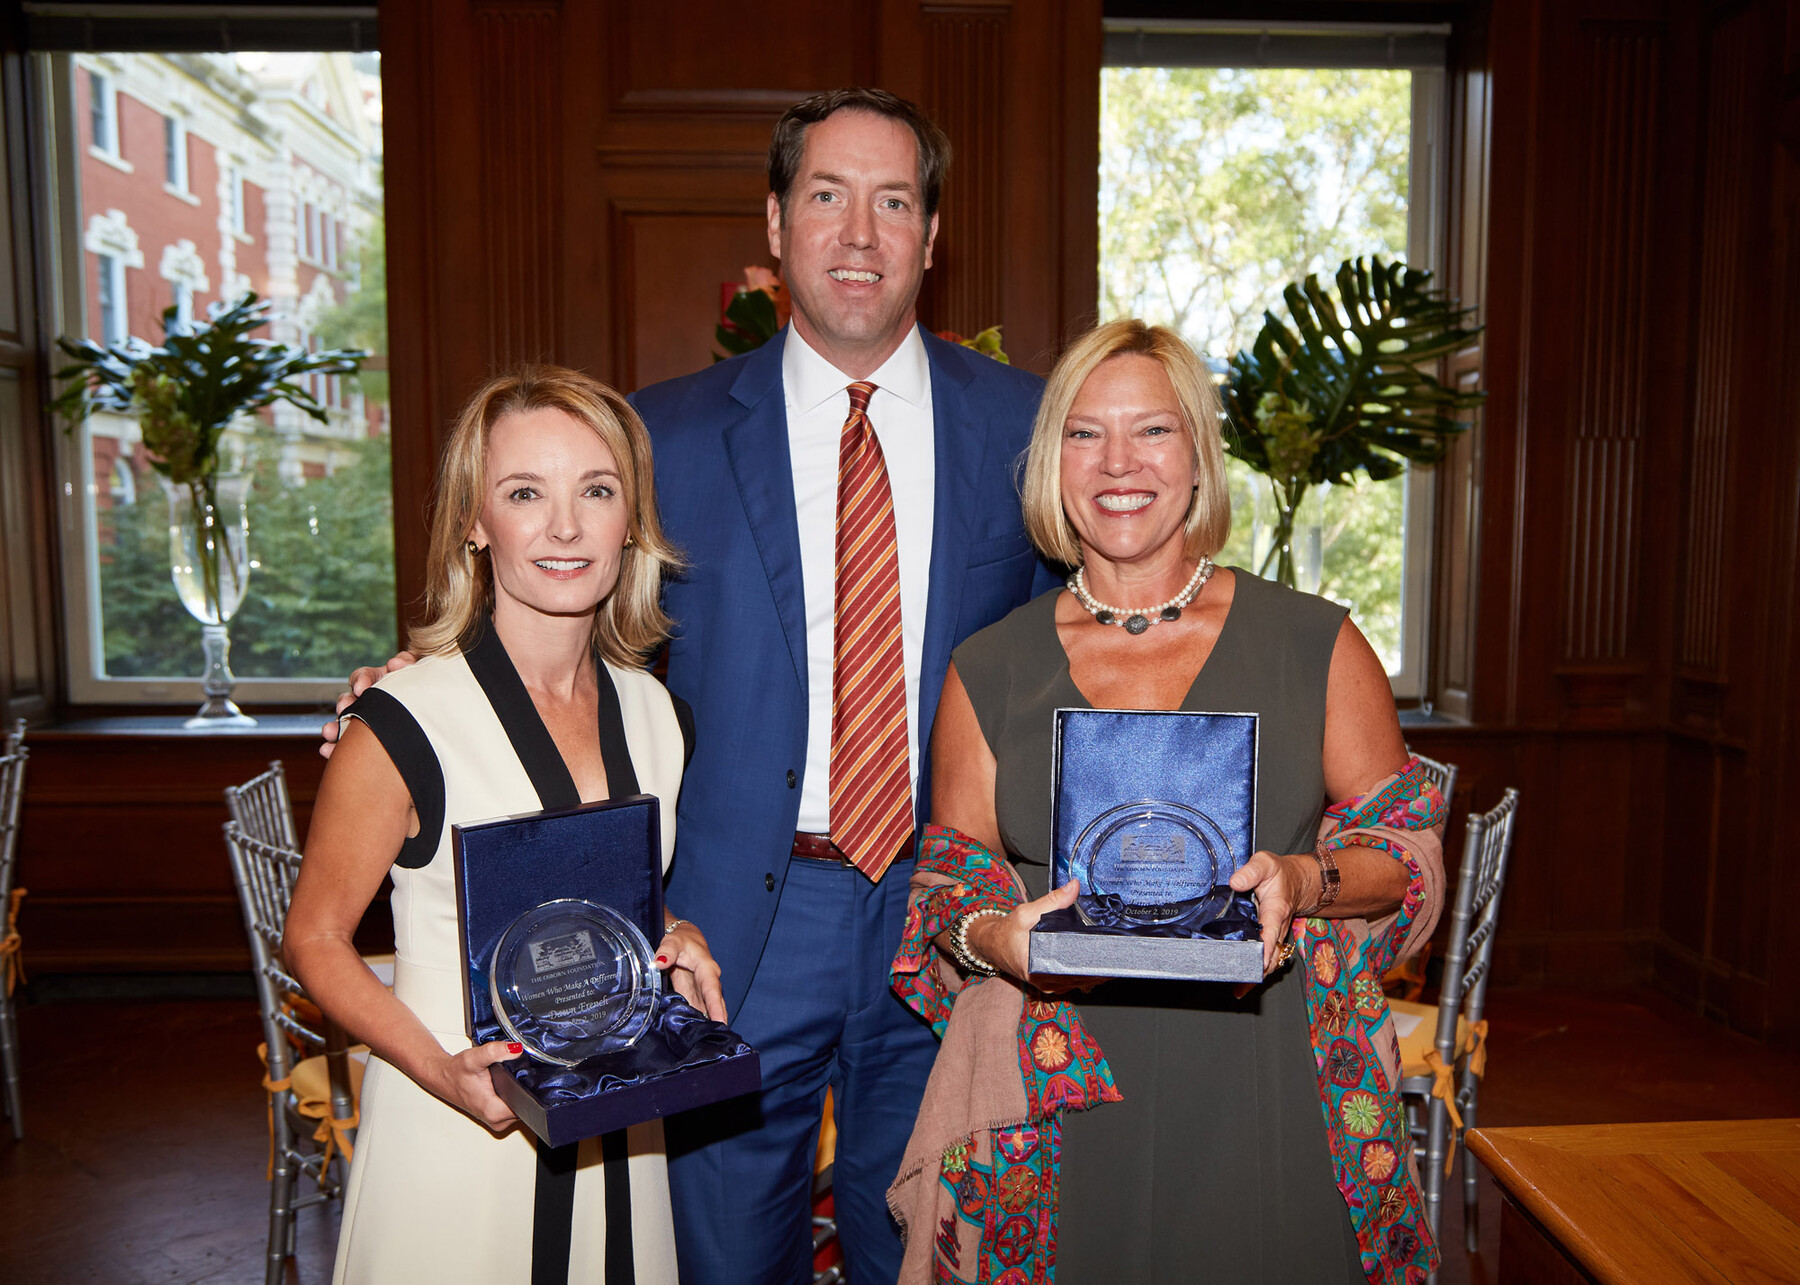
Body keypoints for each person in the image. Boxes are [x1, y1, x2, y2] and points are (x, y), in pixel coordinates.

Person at [321, 89, 1053, 1283]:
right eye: (826, 196)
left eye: (893, 201)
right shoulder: (657, 436)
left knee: (925, 1244)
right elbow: (570, 596)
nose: (859, 233)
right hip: (725, 922)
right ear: (775, 224)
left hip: (946, 915)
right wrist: (428, 671)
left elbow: (1093, 627)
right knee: (718, 1255)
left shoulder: (1028, 429)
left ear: (932, 232)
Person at [888, 319, 1447, 1284]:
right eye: (1083, 433)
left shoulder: (1314, 643)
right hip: (1061, 1085)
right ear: (1051, 464)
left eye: (1152, 430)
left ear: (1198, 455)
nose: (1118, 463)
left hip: (1272, 1073)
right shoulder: (990, 666)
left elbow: (1406, 852)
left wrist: (1304, 879)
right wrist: (998, 941)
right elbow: (947, 888)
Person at [287, 368, 726, 1284]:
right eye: (525, 493)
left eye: (595, 491)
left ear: (631, 519)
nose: (565, 527)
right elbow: (317, 937)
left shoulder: (658, 716)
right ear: (476, 523)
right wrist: (442, 1069)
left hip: (619, 1133)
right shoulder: (402, 718)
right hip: (455, 1135)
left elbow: (617, 908)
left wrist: (675, 935)